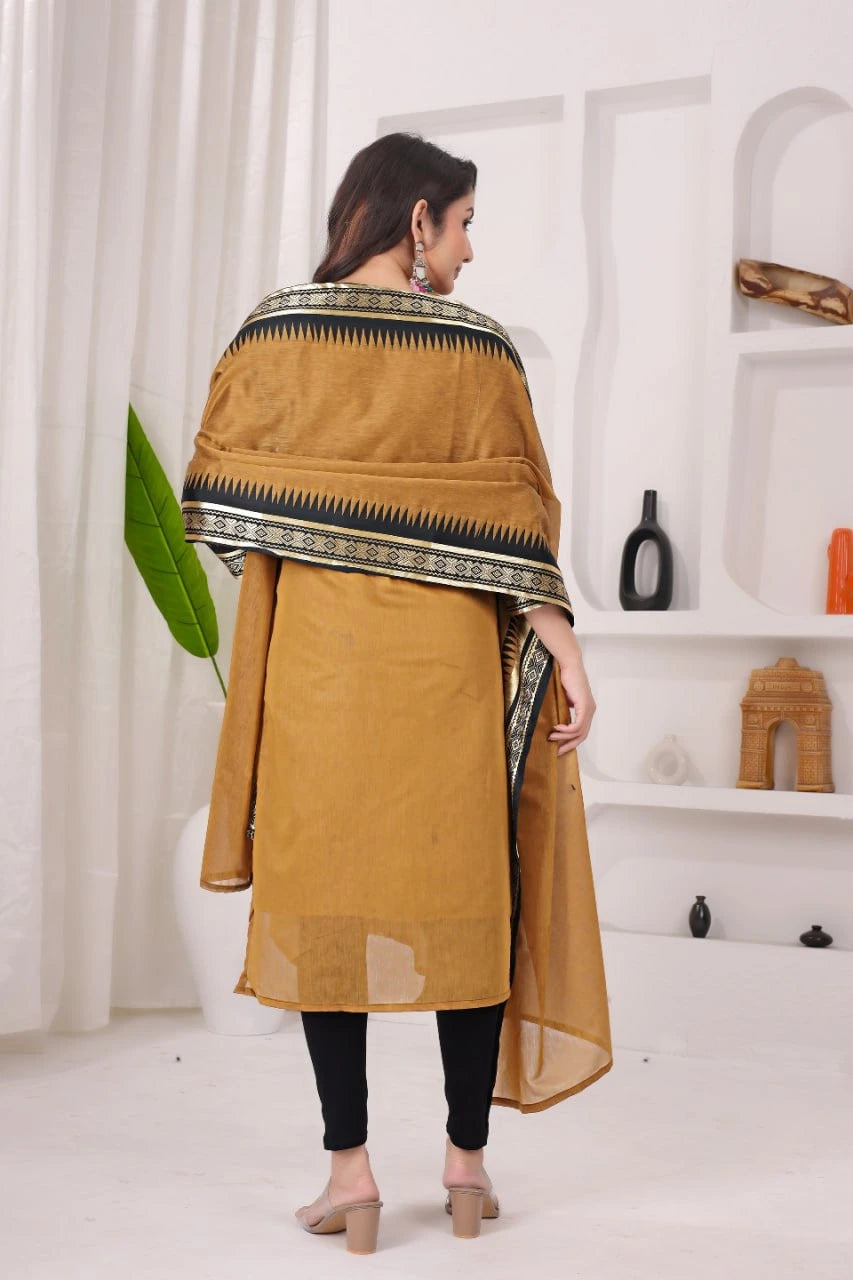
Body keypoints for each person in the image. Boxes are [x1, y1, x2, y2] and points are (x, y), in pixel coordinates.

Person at [181, 132, 612, 1255]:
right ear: (415, 220)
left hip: (323, 683)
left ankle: (351, 1175)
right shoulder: (479, 351)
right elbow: (519, 521)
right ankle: (465, 1168)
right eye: (462, 223)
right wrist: (562, 645)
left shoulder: (274, 334)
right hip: (446, 685)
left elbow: (216, 486)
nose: (470, 251)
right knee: (468, 909)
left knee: (331, 916)